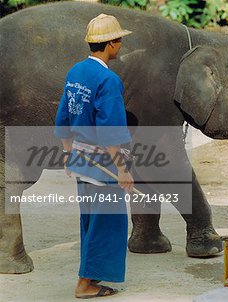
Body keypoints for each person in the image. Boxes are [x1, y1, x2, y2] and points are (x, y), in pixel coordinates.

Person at [54, 13, 133, 299]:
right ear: (111, 44)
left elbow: (63, 116)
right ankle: (85, 284)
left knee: (90, 220)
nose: (121, 44)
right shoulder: (108, 80)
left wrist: (66, 154)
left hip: (80, 158)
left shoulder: (75, 72)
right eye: (119, 40)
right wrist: (122, 169)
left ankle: (89, 279)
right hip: (102, 165)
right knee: (107, 224)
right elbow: (111, 130)